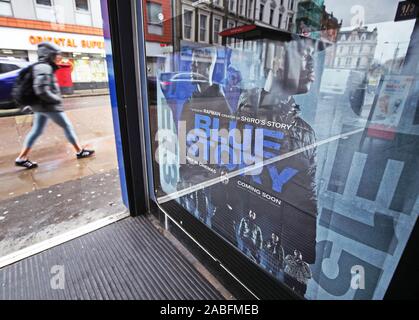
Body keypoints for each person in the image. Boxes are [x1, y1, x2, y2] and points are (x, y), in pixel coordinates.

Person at [15, 42, 94, 169]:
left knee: (36, 131)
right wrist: (56, 99)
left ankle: (21, 158)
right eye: (57, 54)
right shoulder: (44, 68)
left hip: (42, 107)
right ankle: (80, 151)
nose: (59, 57)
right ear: (49, 55)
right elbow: (41, 89)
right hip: (49, 106)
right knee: (67, 126)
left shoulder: (41, 66)